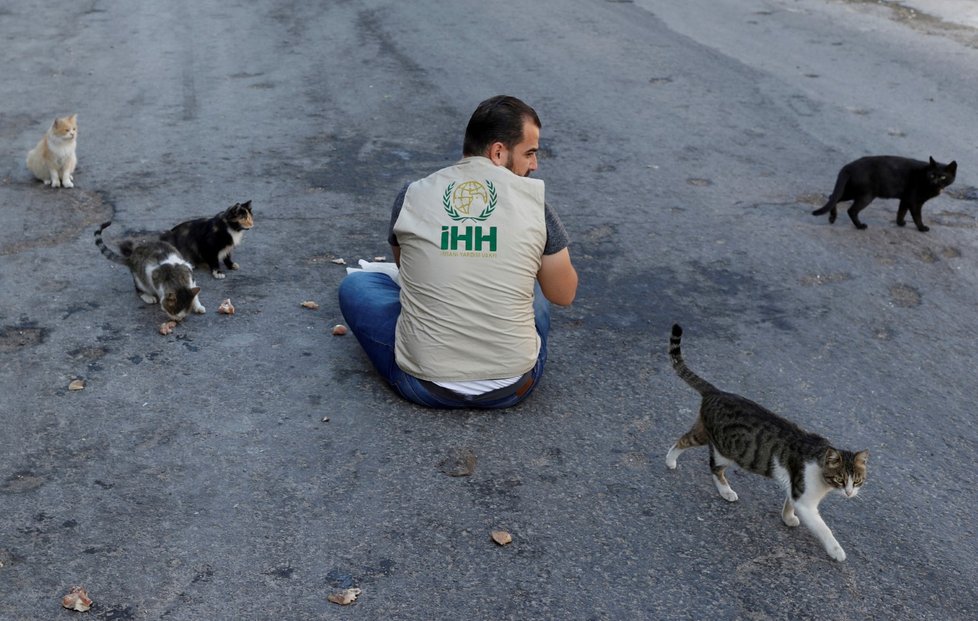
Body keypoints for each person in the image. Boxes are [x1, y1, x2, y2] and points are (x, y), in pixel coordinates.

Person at [338, 95, 578, 408]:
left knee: (357, 285)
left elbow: (407, 272)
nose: (535, 164)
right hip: (512, 386)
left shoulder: (412, 194)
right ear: (498, 152)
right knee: (535, 287)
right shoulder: (536, 204)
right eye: (530, 153)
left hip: (423, 384)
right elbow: (563, 294)